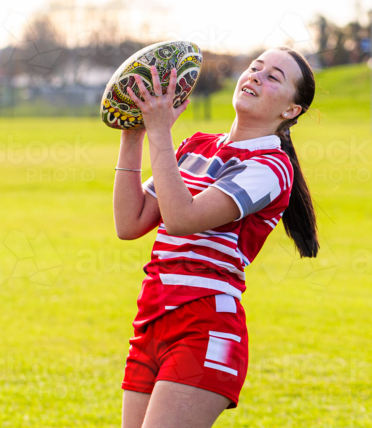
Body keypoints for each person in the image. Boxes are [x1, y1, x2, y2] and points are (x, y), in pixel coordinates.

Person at [112, 46, 319, 428]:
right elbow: (130, 223)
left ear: (291, 111)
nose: (255, 75)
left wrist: (160, 131)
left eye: (274, 77)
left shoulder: (271, 167)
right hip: (152, 318)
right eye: (255, 67)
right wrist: (135, 134)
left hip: (205, 325)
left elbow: (181, 218)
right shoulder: (196, 146)